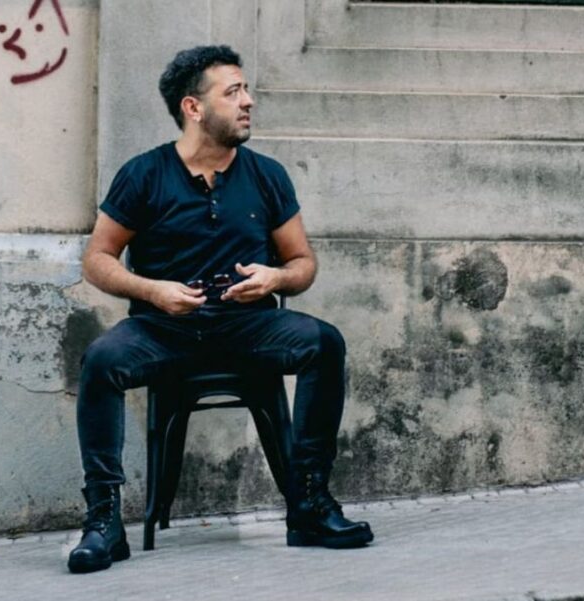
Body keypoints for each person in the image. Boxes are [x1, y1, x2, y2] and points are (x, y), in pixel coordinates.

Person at [67, 45, 373, 574]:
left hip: (248, 325)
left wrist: (276, 278)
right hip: (164, 328)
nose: (248, 101)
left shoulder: (267, 176)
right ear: (194, 107)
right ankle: (103, 521)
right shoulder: (144, 174)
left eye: (246, 89)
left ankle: (309, 505)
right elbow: (97, 259)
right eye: (233, 92)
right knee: (101, 360)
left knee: (323, 342)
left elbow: (302, 264)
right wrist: (151, 290)